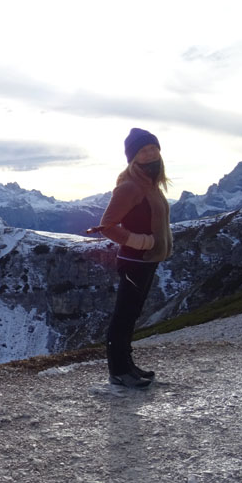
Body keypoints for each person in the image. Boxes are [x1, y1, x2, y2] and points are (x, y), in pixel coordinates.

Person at [91, 128, 173, 388]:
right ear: (133, 157)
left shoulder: (150, 183)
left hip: (147, 260)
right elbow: (108, 225)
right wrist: (143, 241)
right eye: (143, 150)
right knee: (124, 315)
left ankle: (128, 365)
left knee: (132, 313)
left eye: (153, 148)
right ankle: (118, 370)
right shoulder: (130, 186)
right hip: (134, 261)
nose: (150, 154)